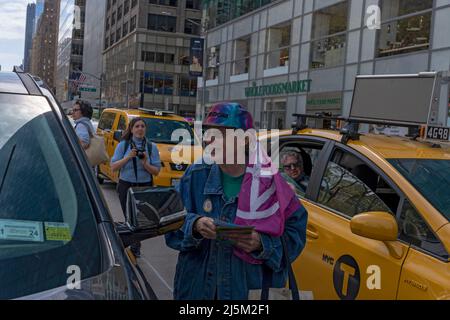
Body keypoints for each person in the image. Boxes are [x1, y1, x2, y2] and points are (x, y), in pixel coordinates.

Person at [165, 102, 308, 300]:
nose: (210, 141)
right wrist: (194, 225)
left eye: (221, 135)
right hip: (197, 292)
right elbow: (170, 221)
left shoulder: (271, 184)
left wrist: (262, 244)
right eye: (208, 133)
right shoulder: (195, 175)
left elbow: (295, 236)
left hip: (249, 294)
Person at [111, 117, 161, 257]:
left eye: (142, 126)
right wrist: (128, 157)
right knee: (129, 217)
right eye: (137, 126)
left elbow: (156, 171)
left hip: (144, 187)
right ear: (132, 129)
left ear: (145, 129)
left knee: (141, 219)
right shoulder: (124, 145)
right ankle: (133, 244)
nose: (140, 129)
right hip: (126, 185)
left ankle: (135, 244)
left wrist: (145, 163)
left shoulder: (151, 147)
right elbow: (114, 167)